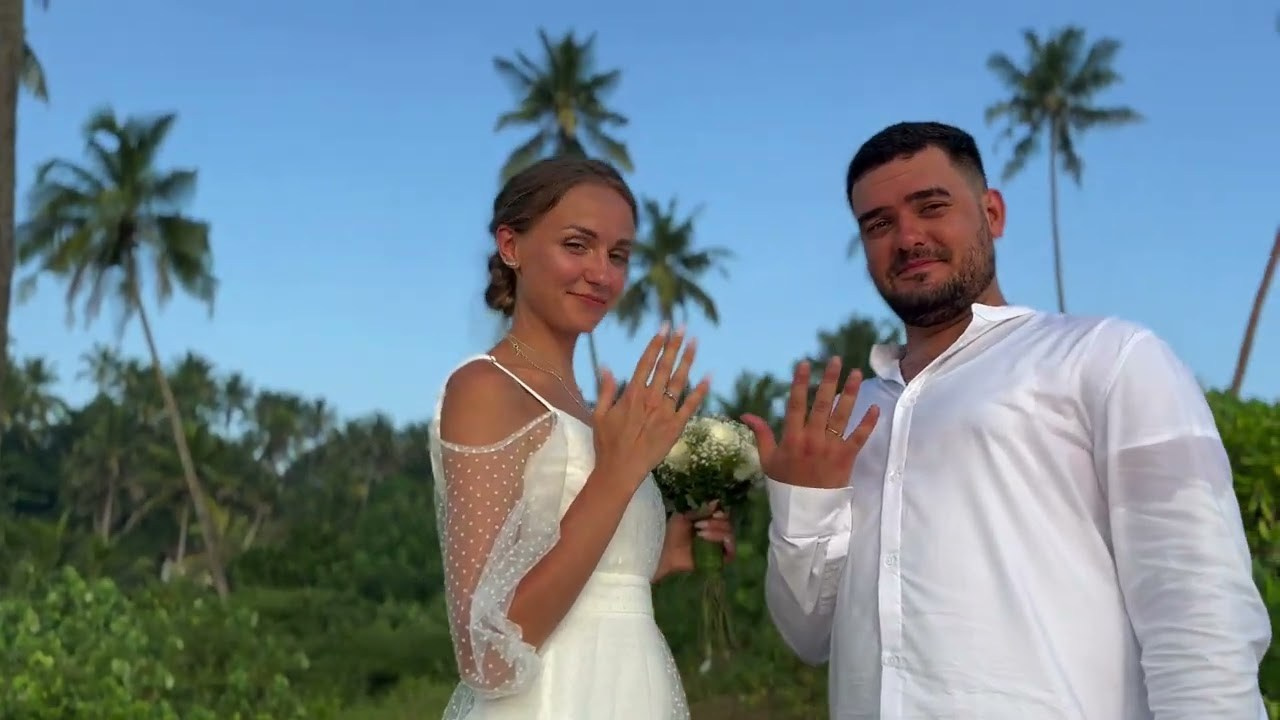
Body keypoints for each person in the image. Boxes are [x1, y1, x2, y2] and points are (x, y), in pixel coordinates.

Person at [744, 121, 1272, 719]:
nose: (908, 237)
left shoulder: (1106, 356)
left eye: (931, 206)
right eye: (879, 224)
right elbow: (808, 637)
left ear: (991, 212)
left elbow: (1198, 607)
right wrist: (804, 504)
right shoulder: (849, 418)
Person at [428, 156, 731, 720]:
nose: (602, 273)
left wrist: (656, 557)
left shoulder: (593, 414)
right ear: (511, 246)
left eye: (617, 255)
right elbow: (486, 655)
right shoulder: (485, 388)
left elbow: (588, 584)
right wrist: (616, 479)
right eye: (577, 245)